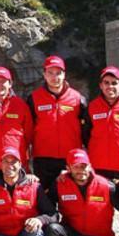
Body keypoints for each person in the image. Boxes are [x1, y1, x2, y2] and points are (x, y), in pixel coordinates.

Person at [26, 55, 88, 191]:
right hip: (43, 158)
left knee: (70, 194)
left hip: (70, 158)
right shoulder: (34, 98)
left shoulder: (78, 99)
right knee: (45, 196)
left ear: (64, 74)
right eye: (50, 73)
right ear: (44, 74)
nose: (55, 77)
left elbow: (86, 130)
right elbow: (27, 129)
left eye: (58, 73)